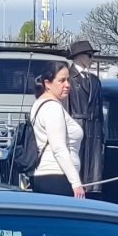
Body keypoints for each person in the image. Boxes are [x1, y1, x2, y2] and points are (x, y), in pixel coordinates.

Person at [28, 60, 84, 198]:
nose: (67, 85)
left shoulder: (39, 104)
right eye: (61, 81)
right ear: (47, 84)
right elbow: (58, 148)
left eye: (68, 80)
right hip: (57, 177)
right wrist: (76, 182)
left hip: (49, 176)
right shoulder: (52, 108)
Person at [66, 39, 104, 193]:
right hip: (76, 126)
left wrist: (102, 134)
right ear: (78, 56)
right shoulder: (67, 78)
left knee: (93, 175)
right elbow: (65, 107)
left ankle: (92, 193)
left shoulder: (95, 80)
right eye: (89, 55)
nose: (91, 59)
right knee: (77, 169)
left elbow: (99, 109)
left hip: (94, 131)